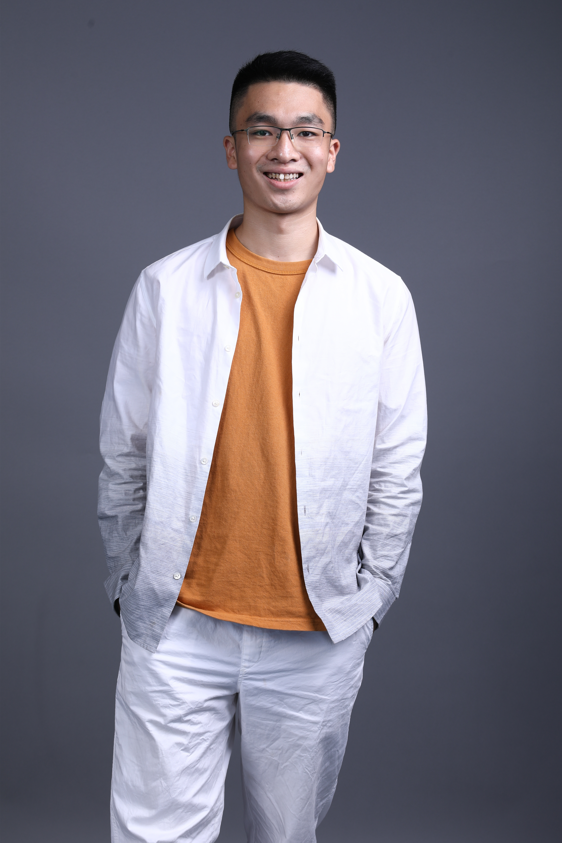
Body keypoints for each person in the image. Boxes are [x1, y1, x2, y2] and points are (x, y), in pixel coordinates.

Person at [98, 50, 427, 843]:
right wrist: (129, 584)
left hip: (315, 631)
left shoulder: (380, 297)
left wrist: (371, 597)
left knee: (286, 835)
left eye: (306, 131)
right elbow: (123, 452)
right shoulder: (166, 288)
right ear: (232, 147)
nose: (285, 149)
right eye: (262, 130)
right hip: (175, 621)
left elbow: (398, 464)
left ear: (332, 150)